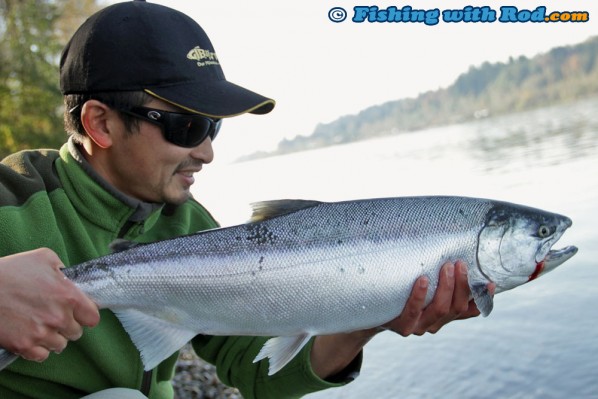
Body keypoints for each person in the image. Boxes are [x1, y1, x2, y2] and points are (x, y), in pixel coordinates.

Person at [0, 1, 488, 398]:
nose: (207, 152)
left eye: (213, 127)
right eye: (186, 126)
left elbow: (253, 373)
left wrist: (368, 318)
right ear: (100, 124)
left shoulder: (188, 225)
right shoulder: (11, 197)